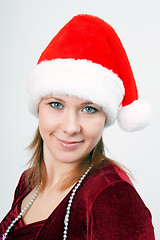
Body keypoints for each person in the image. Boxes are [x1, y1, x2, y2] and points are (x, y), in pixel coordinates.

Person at [0, 14, 155, 240]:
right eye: (56, 104)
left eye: (89, 109)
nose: (71, 127)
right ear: (38, 107)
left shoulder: (112, 195)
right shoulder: (29, 181)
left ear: (105, 117)